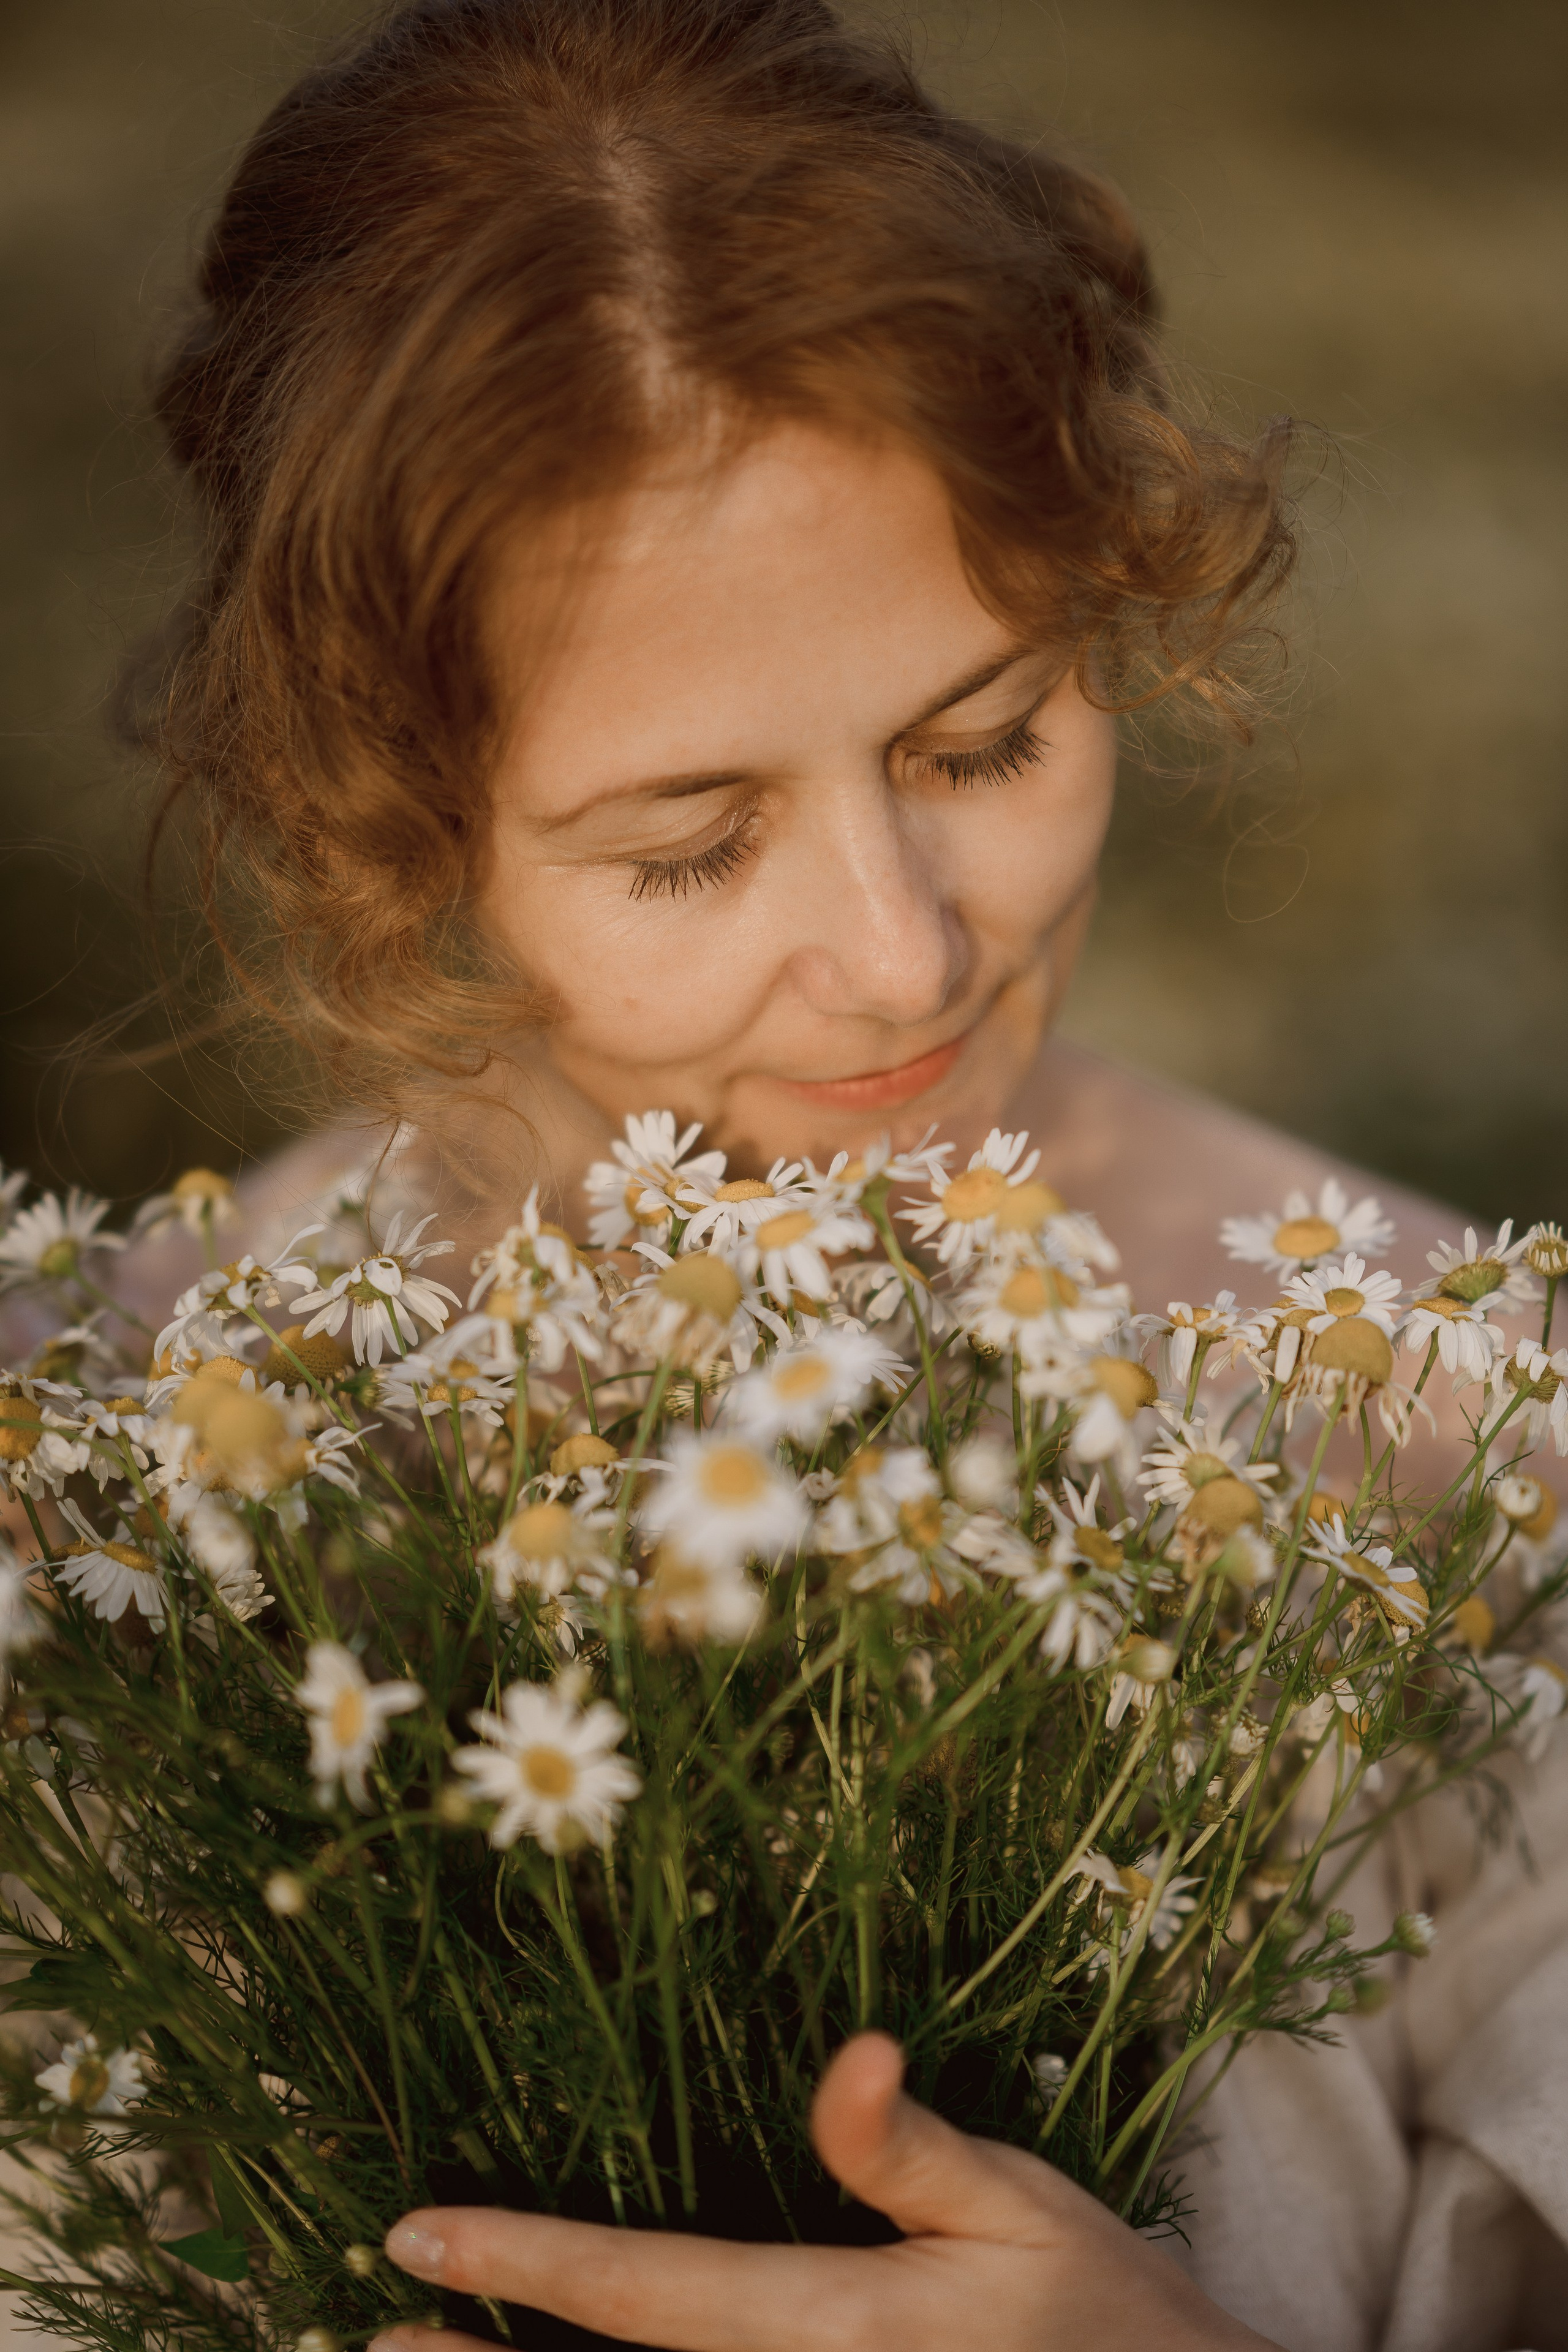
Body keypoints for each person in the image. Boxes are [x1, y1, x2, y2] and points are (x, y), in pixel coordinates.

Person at [65, 1, 1568, 2346]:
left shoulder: (1468, 1441)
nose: (903, 960)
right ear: (391, 828)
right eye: (690, 844)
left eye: (986, 740)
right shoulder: (124, 1508)